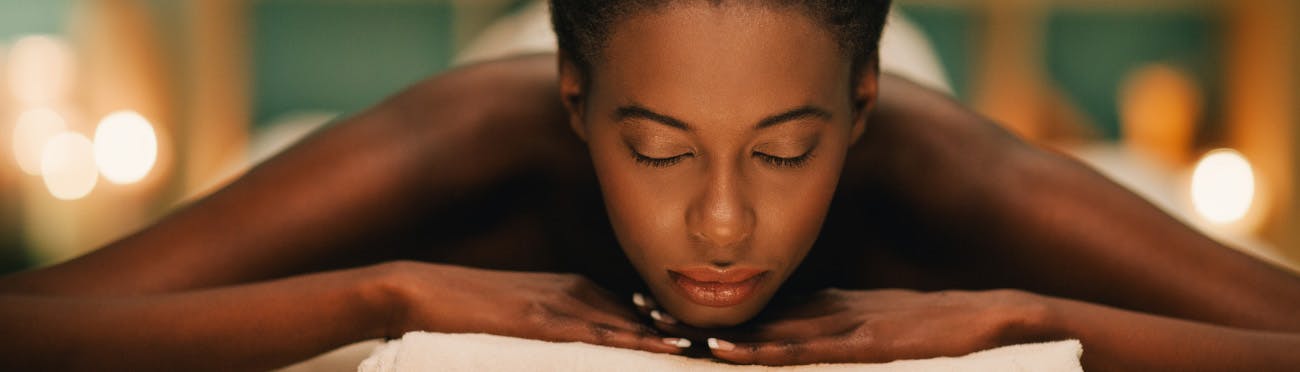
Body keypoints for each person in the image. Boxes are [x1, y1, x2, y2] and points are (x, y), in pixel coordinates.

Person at [3, 1, 1299, 370]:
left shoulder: (947, 167)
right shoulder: (468, 139)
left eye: (786, 154)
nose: (724, 222)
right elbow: (35, 322)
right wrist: (381, 291)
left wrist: (1033, 317)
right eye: (660, 151)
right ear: (579, 105)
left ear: (852, 115)